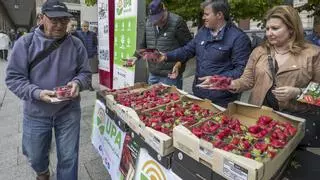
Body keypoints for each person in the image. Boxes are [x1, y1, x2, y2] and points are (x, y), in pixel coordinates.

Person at [199, 5, 320, 147]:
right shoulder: (260, 51)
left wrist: (297, 92)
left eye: (275, 28)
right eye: (267, 29)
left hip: (294, 121)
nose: (269, 33)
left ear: (291, 29)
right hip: (260, 119)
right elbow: (247, 80)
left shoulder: (312, 53)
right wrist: (225, 83)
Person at [5, 0, 91, 180]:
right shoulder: (25, 43)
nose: (60, 25)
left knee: (69, 157)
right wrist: (37, 93)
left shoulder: (76, 44)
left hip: (68, 111)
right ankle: (42, 172)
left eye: (64, 20)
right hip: (36, 111)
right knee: (35, 155)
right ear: (41, 18)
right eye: (54, 20)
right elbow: (13, 78)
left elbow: (85, 73)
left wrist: (78, 83)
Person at [144, 0, 251, 107]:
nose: (203, 17)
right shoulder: (203, 32)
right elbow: (187, 50)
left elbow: (241, 70)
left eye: (206, 14)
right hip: (199, 93)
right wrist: (166, 56)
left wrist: (217, 80)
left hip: (223, 99)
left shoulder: (239, 38)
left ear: (219, 15)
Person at [139, 0, 193, 89]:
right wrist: (135, 57)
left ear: (164, 10)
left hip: (170, 75)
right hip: (153, 73)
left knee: (171, 101)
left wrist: (179, 64)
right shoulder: (149, 22)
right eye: (154, 20)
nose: (157, 22)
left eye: (159, 19)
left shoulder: (177, 22)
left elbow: (189, 48)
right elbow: (143, 44)